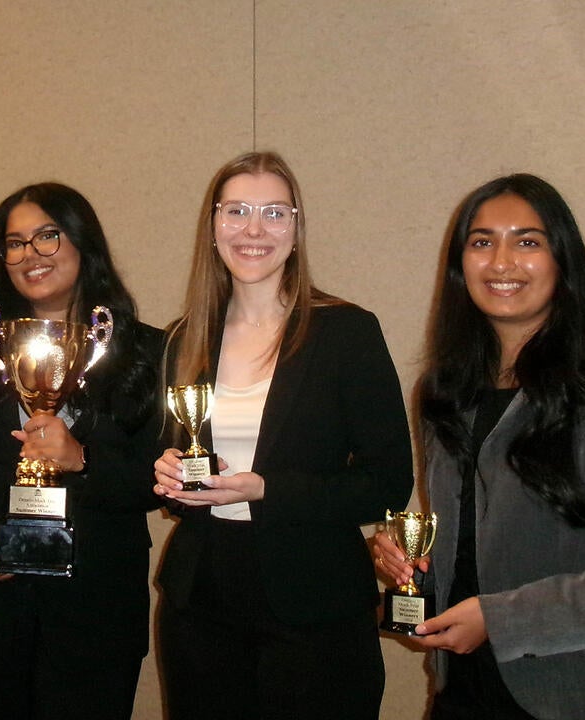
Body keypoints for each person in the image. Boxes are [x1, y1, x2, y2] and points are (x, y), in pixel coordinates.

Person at [372, 174, 585, 720]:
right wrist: (420, 569)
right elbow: (476, 546)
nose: (501, 261)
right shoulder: (444, 392)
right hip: (462, 693)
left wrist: (501, 619)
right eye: (482, 241)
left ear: (564, 261)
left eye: (528, 241)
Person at [152, 150, 414, 719]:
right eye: (237, 210)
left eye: (274, 212)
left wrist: (266, 489)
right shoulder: (184, 338)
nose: (253, 229)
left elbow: (387, 483)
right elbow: (178, 450)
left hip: (315, 602)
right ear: (214, 226)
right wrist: (169, 471)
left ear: (296, 230)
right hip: (202, 601)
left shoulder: (346, 332)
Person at [0, 182, 164, 719]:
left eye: (47, 236)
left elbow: (155, 482)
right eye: (13, 243)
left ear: (84, 244)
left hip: (96, 604)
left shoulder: (147, 349)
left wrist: (82, 459)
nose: (29, 254)